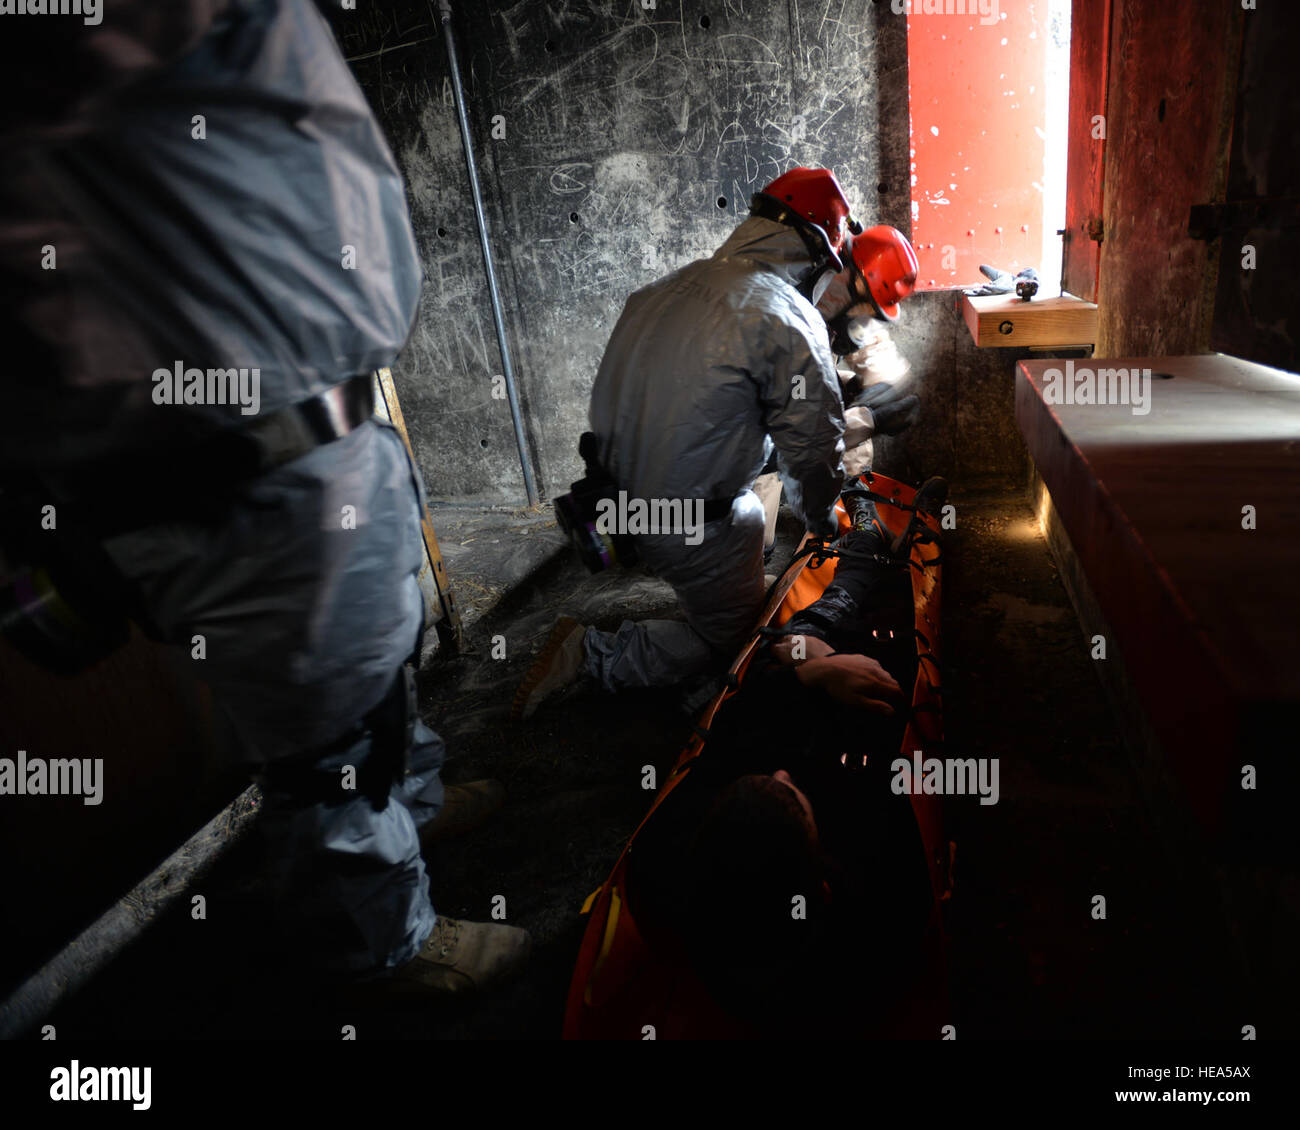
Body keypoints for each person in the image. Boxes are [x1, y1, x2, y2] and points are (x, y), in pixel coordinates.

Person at [0, 0, 526, 996]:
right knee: (329, 743)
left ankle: (408, 804)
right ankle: (386, 943)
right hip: (234, 456)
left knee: (379, 676)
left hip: (317, 427)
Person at [513, 168, 918, 718]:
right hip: (691, 524)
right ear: (823, 254)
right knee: (744, 639)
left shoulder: (665, 288)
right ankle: (592, 656)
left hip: (615, 508)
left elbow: (708, 416)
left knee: (751, 530)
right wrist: (825, 520)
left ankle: (716, 593)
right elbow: (811, 459)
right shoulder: (786, 316)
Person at [623, 485, 944, 1032]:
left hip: (795, 698)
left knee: (803, 637)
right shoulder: (876, 926)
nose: (781, 772)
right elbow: (887, 773)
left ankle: (863, 551)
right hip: (848, 737)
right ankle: (875, 547)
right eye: (788, 789)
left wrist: (807, 672)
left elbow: (727, 742)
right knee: (876, 631)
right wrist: (844, 673)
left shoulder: (661, 873)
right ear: (821, 884)